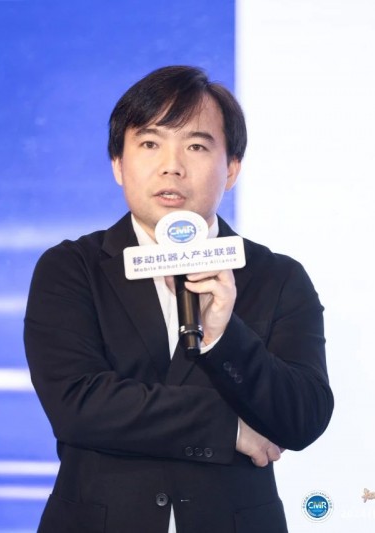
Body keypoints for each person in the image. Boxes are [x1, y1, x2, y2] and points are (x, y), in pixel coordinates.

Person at [24, 65, 333, 533]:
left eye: (196, 146)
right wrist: (229, 429)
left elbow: (303, 417)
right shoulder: (72, 268)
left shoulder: (278, 277)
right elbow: (78, 405)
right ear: (118, 164)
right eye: (150, 144)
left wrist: (225, 338)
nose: (172, 165)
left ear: (231, 168)